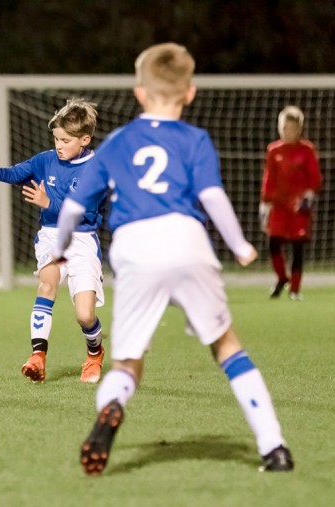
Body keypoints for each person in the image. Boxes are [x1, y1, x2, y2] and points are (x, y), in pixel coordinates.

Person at [53, 43, 293, 474]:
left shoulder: (118, 142)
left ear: (140, 93)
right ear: (190, 93)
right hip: (187, 240)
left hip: (134, 245)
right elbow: (213, 197)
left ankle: (111, 410)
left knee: (128, 362)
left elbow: (72, 209)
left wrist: (59, 249)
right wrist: (239, 245)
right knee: (227, 346)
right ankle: (274, 447)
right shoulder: (194, 139)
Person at [0, 98, 106, 384]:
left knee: (84, 315)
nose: (59, 145)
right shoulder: (45, 160)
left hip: (81, 241)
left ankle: (94, 355)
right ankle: (37, 357)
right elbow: (17, 173)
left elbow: (83, 213)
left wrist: (48, 202)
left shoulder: (97, 169)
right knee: (47, 283)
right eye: (56, 138)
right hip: (52, 237)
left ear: (85, 139)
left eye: (66, 140)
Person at [259, 105, 323, 301]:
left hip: (297, 207)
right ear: (280, 128)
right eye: (286, 128)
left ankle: (294, 290)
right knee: (273, 244)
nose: (289, 132)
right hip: (278, 206)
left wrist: (308, 196)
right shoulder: (273, 150)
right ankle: (281, 279)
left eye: (293, 129)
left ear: (299, 130)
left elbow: (315, 178)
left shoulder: (306, 150)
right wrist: (264, 204)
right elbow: (269, 179)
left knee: (297, 248)